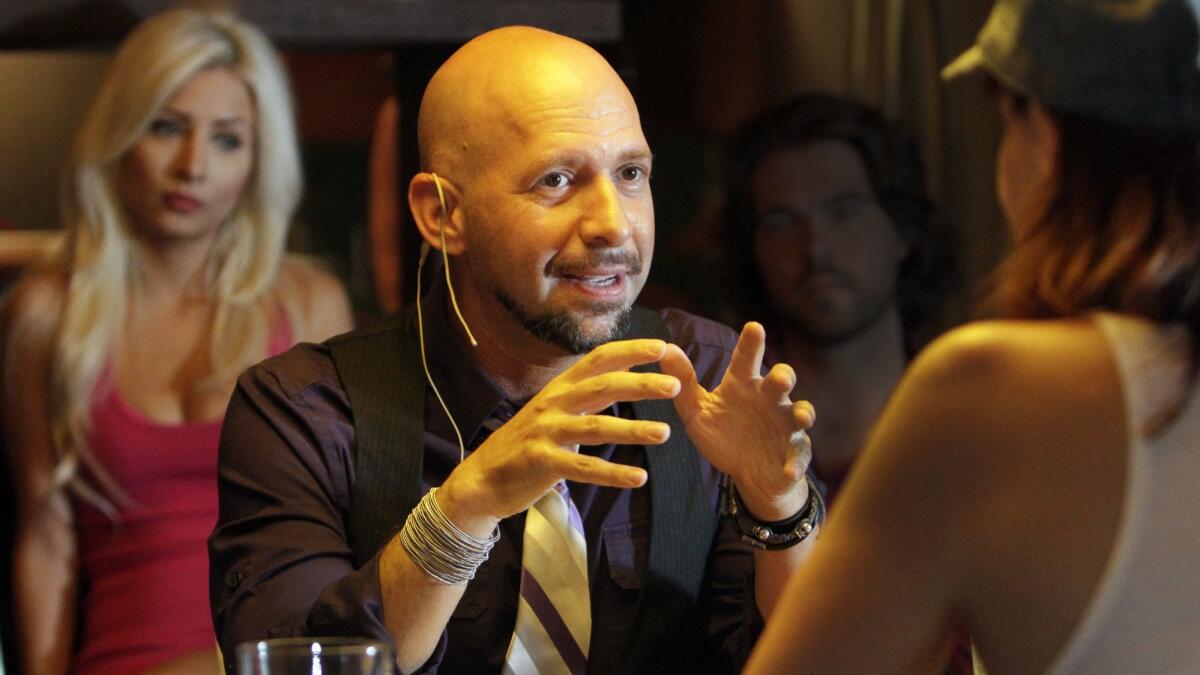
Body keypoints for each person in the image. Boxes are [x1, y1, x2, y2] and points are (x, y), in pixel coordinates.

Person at [209, 25, 817, 675]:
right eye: (557, 180)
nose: (613, 222)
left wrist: (780, 511)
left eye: (631, 173)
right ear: (442, 213)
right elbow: (295, 663)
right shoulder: (307, 411)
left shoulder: (705, 376)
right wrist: (462, 510)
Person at [745, 0, 1200, 672]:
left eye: (1003, 127)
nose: (815, 246)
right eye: (782, 221)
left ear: (1042, 135)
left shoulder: (989, 386)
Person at [1, 8, 353, 675]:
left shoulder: (308, 303)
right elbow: (47, 542)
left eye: (227, 140)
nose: (193, 166)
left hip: (275, 658)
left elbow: (352, 525)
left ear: (258, 158)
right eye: (167, 127)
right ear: (121, 135)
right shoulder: (47, 313)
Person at [723, 93, 956, 498]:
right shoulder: (721, 421)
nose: (815, 247)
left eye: (845, 211)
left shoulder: (964, 411)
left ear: (900, 229)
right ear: (752, 248)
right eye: (781, 222)